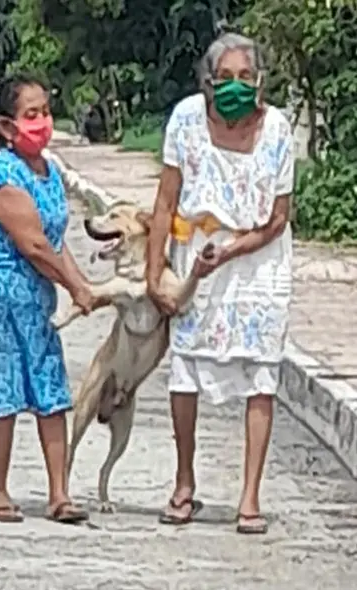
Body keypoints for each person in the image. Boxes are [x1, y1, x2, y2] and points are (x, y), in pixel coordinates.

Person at [145, 32, 294, 535]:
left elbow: (278, 217)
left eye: (245, 78)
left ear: (260, 82)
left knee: (260, 375)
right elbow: (166, 201)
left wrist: (232, 249)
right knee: (185, 371)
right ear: (208, 82)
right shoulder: (186, 120)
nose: (235, 86)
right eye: (224, 78)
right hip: (196, 264)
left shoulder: (277, 129)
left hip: (258, 267)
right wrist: (155, 271)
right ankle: (184, 482)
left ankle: (249, 498)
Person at [0, 73, 106, 524]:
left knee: (50, 393)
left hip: (35, 298)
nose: (41, 122)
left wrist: (84, 288)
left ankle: (59, 494)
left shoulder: (48, 170)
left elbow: (57, 241)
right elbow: (34, 245)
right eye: (30, 115)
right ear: (6, 127)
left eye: (45, 112)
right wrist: (74, 287)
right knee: (2, 398)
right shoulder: (4, 176)